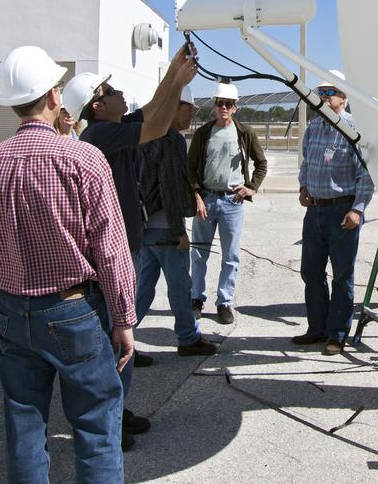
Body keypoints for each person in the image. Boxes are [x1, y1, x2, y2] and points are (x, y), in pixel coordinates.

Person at [0, 45, 138, 484]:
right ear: (55, 97)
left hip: (13, 308)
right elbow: (110, 250)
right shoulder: (81, 159)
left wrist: (10, 274)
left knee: (24, 423)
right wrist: (125, 318)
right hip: (73, 309)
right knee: (95, 424)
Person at [62, 47, 199, 431]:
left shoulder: (112, 129)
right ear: (97, 107)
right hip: (114, 248)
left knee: (116, 332)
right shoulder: (102, 134)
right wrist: (179, 81)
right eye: (110, 91)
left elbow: (156, 109)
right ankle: (110, 422)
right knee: (113, 337)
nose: (119, 92)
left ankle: (115, 414)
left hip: (125, 243)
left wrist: (175, 72)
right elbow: (158, 124)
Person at [292, 73, 374, 354]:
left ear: (344, 97)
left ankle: (337, 335)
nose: (324, 96)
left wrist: (357, 210)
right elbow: (305, 161)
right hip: (314, 212)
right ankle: (317, 329)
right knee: (311, 272)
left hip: (342, 212)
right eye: (321, 90)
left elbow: (365, 174)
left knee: (341, 275)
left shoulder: (354, 129)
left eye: (331, 91)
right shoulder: (314, 128)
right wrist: (303, 186)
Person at [134, 85, 218, 355]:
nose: (191, 115)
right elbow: (169, 187)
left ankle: (118, 336)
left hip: (147, 228)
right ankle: (188, 338)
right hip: (165, 229)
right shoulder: (171, 140)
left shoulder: (147, 136)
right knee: (181, 286)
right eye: (188, 109)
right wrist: (179, 230)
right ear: (173, 108)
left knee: (143, 288)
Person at [186, 81, 268, 325]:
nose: (223, 107)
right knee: (199, 253)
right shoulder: (203, 134)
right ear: (214, 106)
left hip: (233, 201)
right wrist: (197, 196)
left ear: (235, 108)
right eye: (219, 103)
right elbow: (190, 169)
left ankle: (224, 301)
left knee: (230, 255)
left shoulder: (244, 133)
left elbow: (260, 163)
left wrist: (251, 186)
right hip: (207, 201)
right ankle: (196, 298)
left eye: (228, 104)